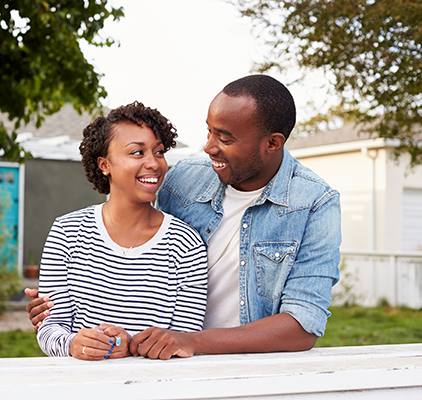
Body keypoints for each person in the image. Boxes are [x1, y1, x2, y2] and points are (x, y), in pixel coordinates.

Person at [26, 74, 341, 359]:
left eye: (225, 138)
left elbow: (303, 324)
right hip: (167, 357)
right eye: (209, 131)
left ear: (272, 143)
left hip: (245, 363)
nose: (208, 147)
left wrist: (189, 341)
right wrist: (56, 319)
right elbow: (135, 243)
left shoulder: (314, 203)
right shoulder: (184, 179)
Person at [35, 101, 208, 360]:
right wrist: (73, 344)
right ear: (105, 164)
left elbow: (183, 339)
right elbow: (49, 328)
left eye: (159, 152)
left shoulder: (185, 244)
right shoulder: (67, 232)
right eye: (137, 152)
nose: (154, 163)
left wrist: (130, 345)